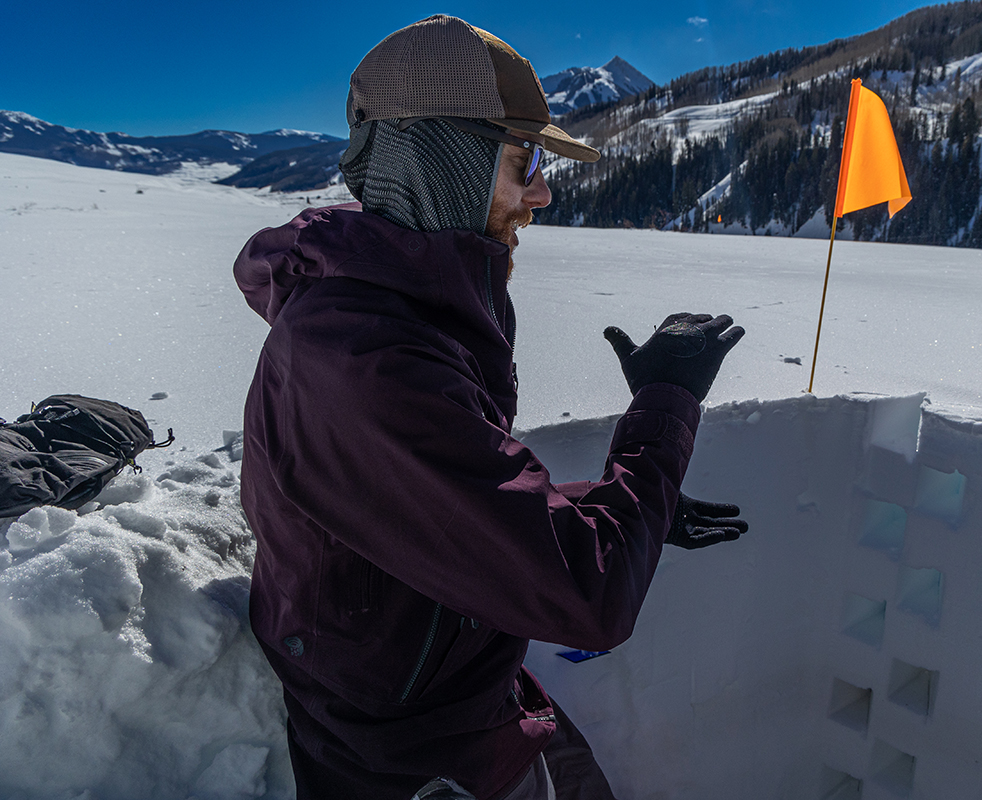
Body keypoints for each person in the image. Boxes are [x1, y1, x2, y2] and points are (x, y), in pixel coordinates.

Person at [234, 15, 747, 800]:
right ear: (441, 161)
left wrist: (624, 508)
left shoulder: (399, 317)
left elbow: (426, 506)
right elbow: (590, 597)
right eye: (524, 161)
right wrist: (666, 403)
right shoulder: (364, 361)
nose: (541, 193)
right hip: (416, 762)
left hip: (467, 703)